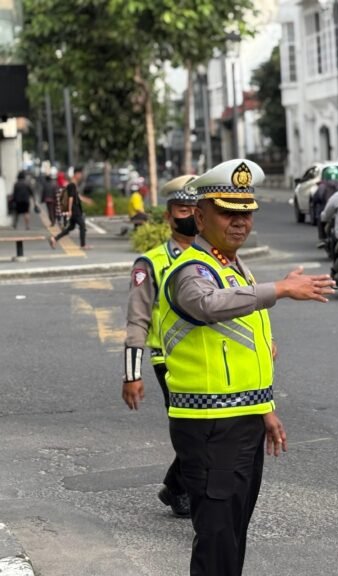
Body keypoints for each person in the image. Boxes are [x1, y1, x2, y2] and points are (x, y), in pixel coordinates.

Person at [157, 159, 335, 576]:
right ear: (200, 217)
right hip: (210, 426)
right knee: (217, 535)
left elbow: (247, 351)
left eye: (246, 213)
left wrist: (265, 409)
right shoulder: (191, 270)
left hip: (241, 419)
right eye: (227, 212)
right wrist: (281, 288)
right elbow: (206, 305)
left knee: (233, 530)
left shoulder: (232, 266)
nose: (240, 222)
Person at [121, 175, 198, 518]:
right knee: (194, 429)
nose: (191, 216)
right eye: (183, 209)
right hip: (169, 359)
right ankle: (189, 491)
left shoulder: (215, 257)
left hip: (209, 356)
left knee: (209, 428)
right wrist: (131, 375)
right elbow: (137, 319)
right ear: (168, 216)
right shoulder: (150, 263)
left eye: (196, 209)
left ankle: (177, 486)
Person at [49, 166, 88, 249]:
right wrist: (70, 210)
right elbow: (71, 197)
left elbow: (76, 196)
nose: (81, 176)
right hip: (74, 209)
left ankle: (54, 239)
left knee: (71, 227)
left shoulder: (73, 184)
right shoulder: (72, 184)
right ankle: (83, 245)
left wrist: (86, 200)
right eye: (80, 174)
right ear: (76, 174)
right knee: (82, 225)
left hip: (75, 208)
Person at [312, 165, 338, 242]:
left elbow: (317, 197)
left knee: (320, 218)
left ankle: (322, 238)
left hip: (325, 209)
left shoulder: (322, 185)